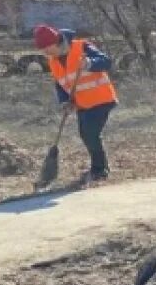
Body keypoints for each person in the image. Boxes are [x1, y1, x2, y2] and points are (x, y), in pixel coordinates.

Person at [33, 25, 117, 186]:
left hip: (101, 99)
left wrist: (90, 63)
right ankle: (99, 167)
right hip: (82, 104)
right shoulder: (53, 61)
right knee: (85, 135)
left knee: (90, 134)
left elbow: (106, 62)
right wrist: (65, 101)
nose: (45, 52)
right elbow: (60, 84)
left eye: (46, 48)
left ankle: (100, 170)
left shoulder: (81, 47)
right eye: (43, 50)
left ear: (55, 42)